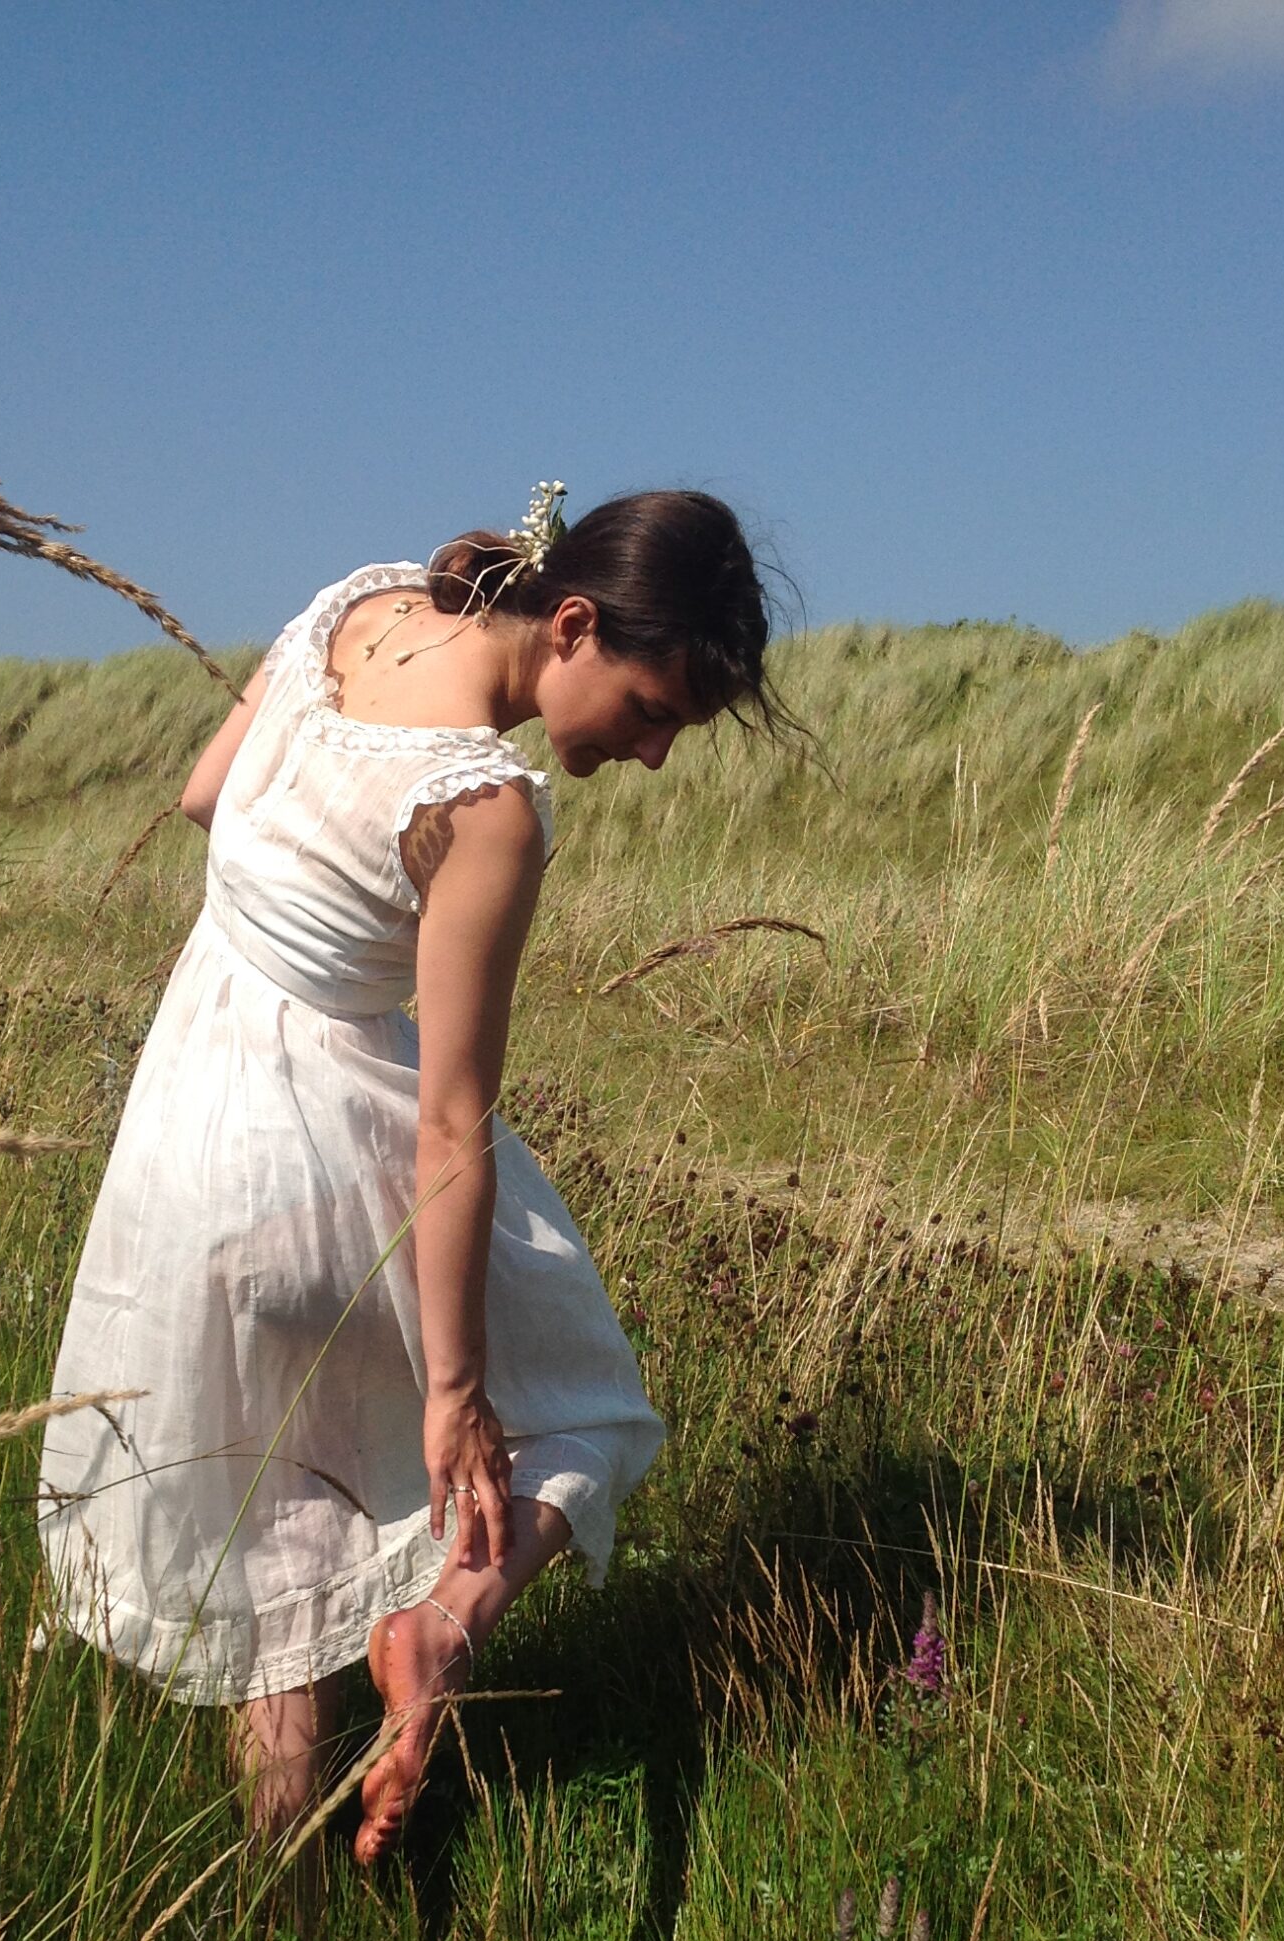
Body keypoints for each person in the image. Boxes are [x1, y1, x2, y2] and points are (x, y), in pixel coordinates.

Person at [38, 486, 781, 1865]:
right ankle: (439, 1627)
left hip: (185, 1133)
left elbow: (207, 794)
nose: (657, 751)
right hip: (319, 1145)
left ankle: (292, 1910)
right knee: (589, 1417)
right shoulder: (484, 806)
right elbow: (450, 1130)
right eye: (654, 706)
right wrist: (457, 1397)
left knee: (268, 1536)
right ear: (570, 625)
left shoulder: (357, 604)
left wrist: (306, 906)